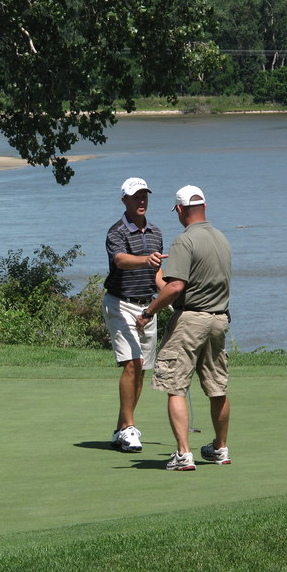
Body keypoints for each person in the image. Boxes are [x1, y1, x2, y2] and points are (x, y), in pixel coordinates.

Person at [136, 185, 232, 471]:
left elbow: (176, 286)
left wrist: (149, 310)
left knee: (175, 386)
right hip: (219, 319)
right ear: (205, 205)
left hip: (191, 320)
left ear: (179, 210)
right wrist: (163, 283)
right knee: (217, 388)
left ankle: (183, 454)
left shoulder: (184, 241)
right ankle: (220, 448)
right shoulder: (221, 238)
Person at [102, 177, 168, 453]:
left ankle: (121, 429)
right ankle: (130, 428)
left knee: (140, 369)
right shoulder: (116, 232)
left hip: (146, 307)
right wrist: (146, 259)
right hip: (119, 304)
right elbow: (120, 260)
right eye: (136, 197)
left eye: (144, 196)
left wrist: (171, 294)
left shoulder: (156, 232)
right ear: (124, 200)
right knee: (132, 363)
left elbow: (158, 277)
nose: (141, 201)